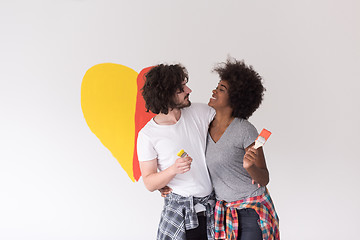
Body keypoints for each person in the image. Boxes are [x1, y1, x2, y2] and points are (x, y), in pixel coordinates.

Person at [137, 63, 216, 240]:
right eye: (181, 89)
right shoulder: (148, 135)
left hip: (212, 211)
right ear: (165, 95)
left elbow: (228, 123)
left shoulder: (201, 112)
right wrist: (173, 170)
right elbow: (149, 183)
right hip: (179, 214)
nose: (189, 90)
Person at [206, 58, 279, 240]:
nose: (214, 91)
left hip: (251, 212)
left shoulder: (245, 130)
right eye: (217, 86)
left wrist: (249, 167)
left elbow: (264, 178)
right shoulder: (204, 126)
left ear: (235, 99)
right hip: (224, 213)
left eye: (221, 89)